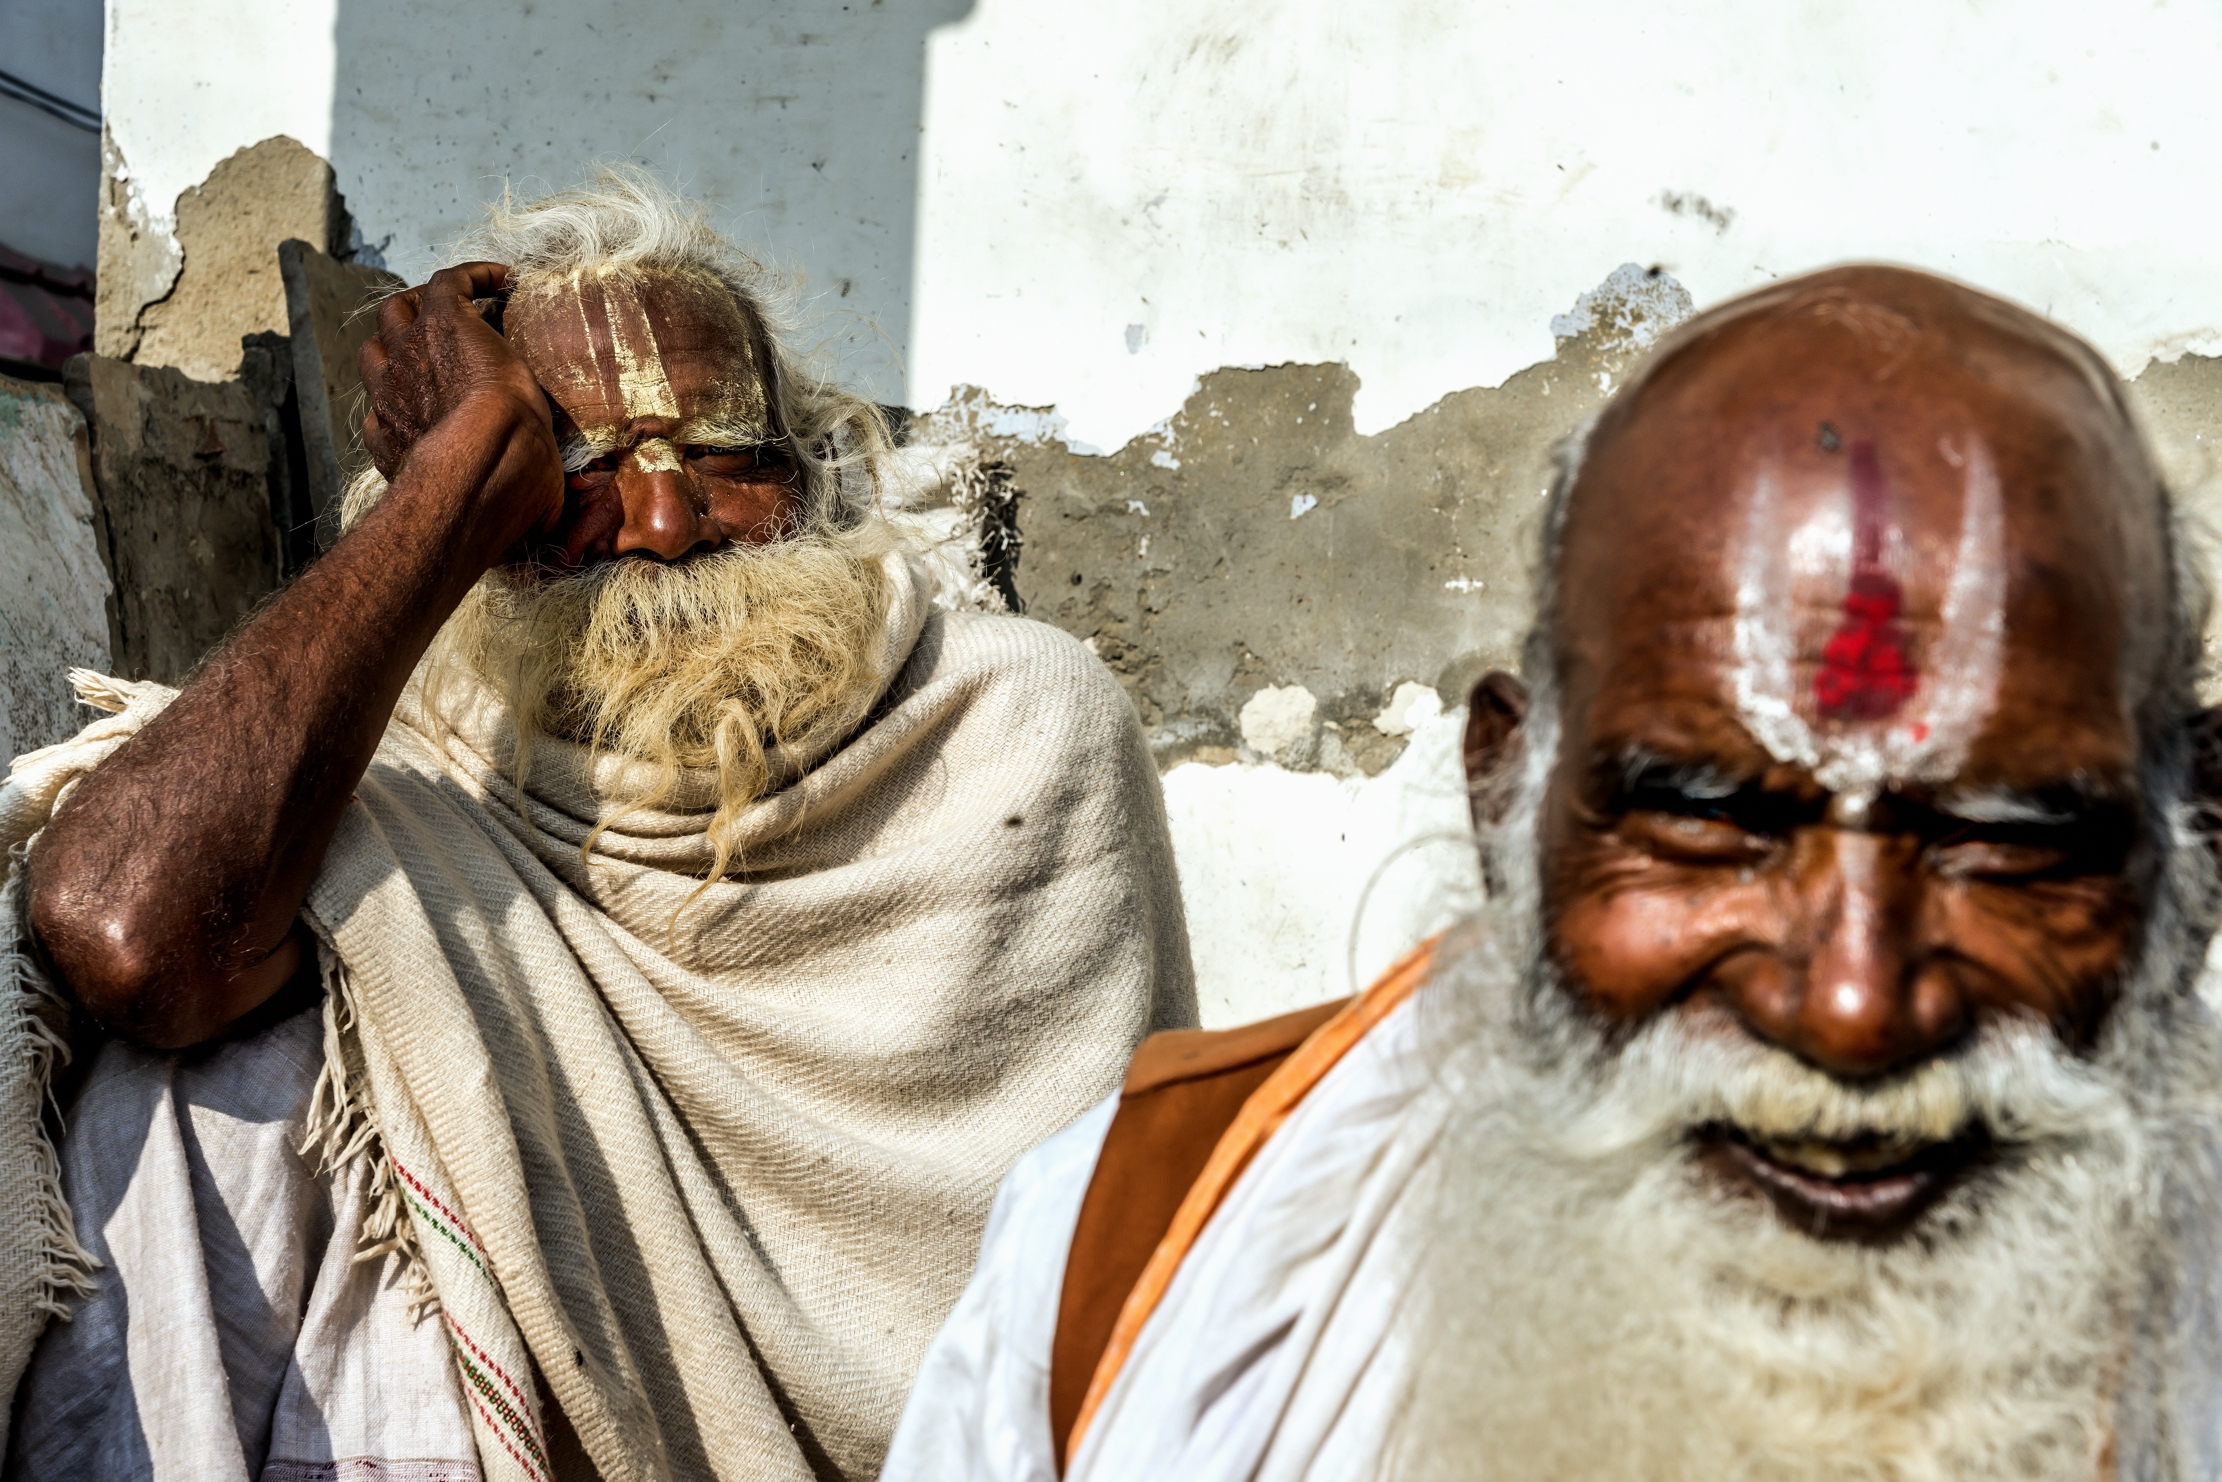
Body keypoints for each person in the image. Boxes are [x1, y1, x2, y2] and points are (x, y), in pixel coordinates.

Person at [884, 264, 2222, 1481]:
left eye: (2004, 839)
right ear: (1504, 800)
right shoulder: (1123, 1243)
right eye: (1708, 818)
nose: (1855, 1010)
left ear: (2192, 846)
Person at [3, 168, 1195, 1481]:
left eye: (724, 456)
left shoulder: (1007, 721)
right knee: (207, 1088)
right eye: (569, 468)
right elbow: (123, 930)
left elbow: (1093, 1269)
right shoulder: (424, 755)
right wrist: (453, 484)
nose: (666, 524)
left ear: (809, 476)